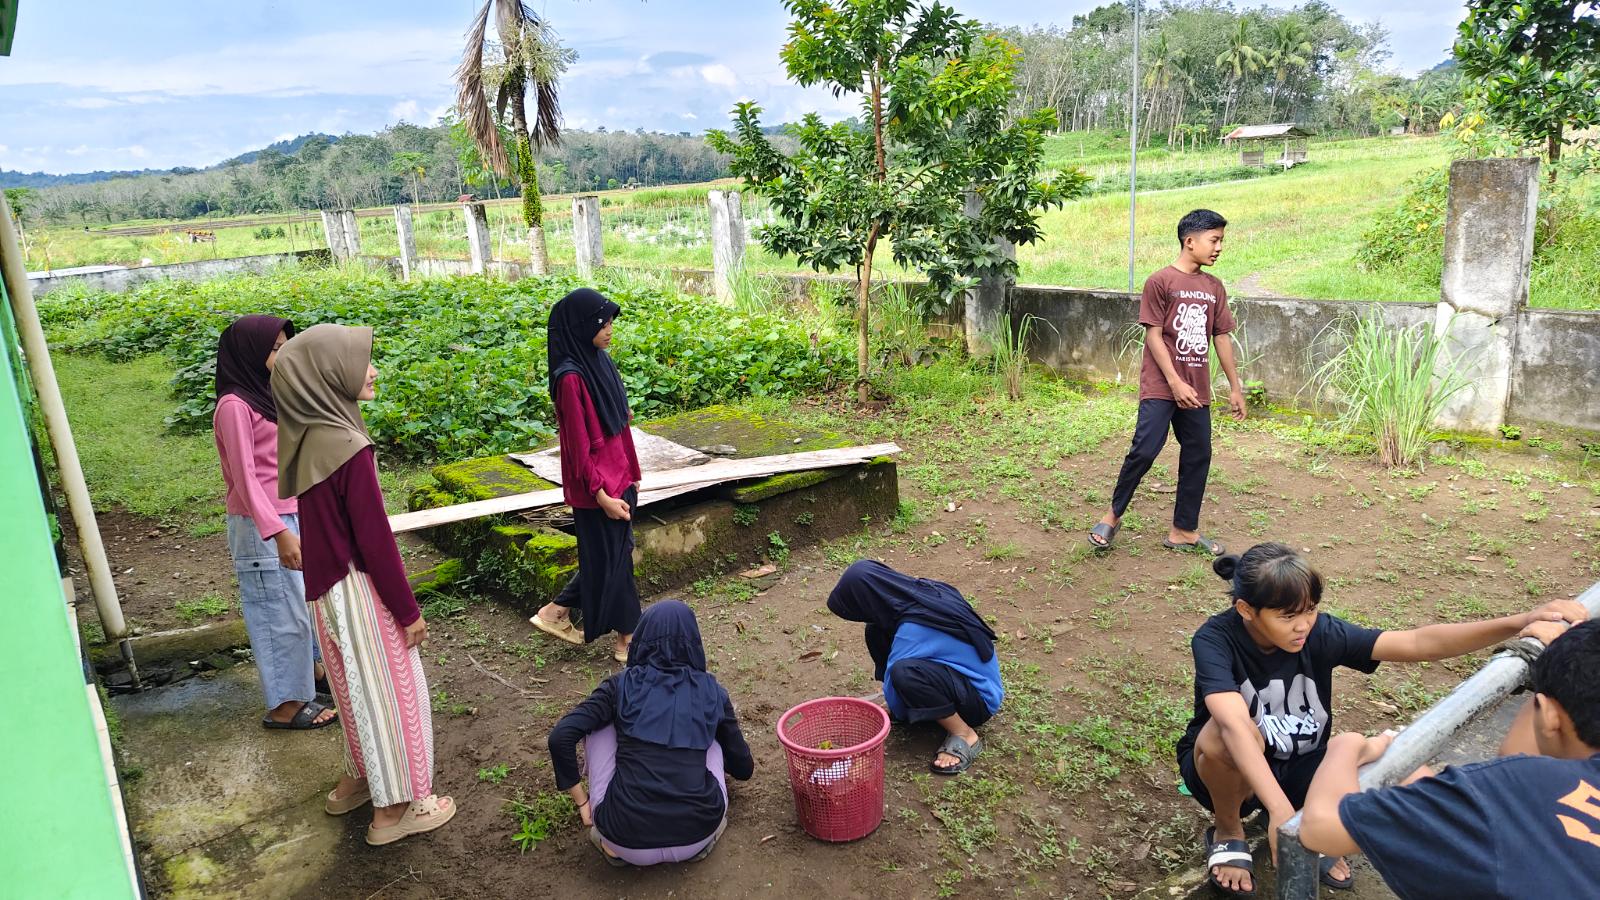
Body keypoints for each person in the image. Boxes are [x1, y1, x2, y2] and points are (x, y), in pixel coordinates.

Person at [1177, 542, 1585, 897]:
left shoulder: (1318, 632)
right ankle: (1229, 829)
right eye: (1287, 616)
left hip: (1301, 759)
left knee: (1385, 761)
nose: (1303, 625)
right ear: (1246, 609)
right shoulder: (1215, 639)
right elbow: (1231, 725)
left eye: (1311, 610)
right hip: (1229, 769)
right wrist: (1283, 815)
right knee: (1219, 735)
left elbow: (1416, 642)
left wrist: (1518, 623)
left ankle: (1304, 817)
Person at [271, 323, 455, 846]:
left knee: (354, 693)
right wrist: (408, 611)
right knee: (392, 696)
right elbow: (375, 543)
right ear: (328, 375)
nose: (370, 369)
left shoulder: (307, 434)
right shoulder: (349, 446)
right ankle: (394, 810)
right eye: (360, 361)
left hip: (323, 594)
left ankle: (355, 782)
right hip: (359, 592)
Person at [1301, 618, 1600, 899]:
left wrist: (1344, 744)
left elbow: (1321, 829)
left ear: (1548, 715)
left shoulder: (1498, 793)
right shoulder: (1515, 790)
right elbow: (1515, 763)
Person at [547, 600, 754, 866]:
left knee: (600, 724)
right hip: (698, 833)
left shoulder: (619, 686)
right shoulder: (712, 691)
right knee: (713, 727)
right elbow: (744, 769)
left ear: (643, 637)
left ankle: (609, 843)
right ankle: (700, 835)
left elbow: (561, 735)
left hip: (624, 838)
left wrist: (582, 804)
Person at [1089, 208, 1244, 556]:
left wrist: (1235, 387)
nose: (1219, 247)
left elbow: (1221, 338)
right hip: (1163, 386)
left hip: (1197, 388)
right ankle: (1112, 516)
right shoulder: (1160, 281)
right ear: (1190, 241)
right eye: (1213, 240)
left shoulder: (1213, 287)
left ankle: (1183, 530)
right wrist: (1174, 382)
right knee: (1144, 449)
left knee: (1198, 454)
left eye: (1221, 241)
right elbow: (1154, 337)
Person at [212, 315, 335, 731]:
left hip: (290, 516)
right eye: (275, 348)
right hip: (260, 525)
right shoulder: (234, 405)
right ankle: (284, 706)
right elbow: (245, 478)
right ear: (249, 352)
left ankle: (311, 678)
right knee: (276, 612)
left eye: (286, 345)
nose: (284, 354)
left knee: (302, 606)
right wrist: (277, 531)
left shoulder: (267, 395)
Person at [530, 288, 642, 664]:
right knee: (616, 559)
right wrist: (601, 496)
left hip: (619, 477)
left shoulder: (601, 362)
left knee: (612, 556)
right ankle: (628, 638)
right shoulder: (570, 379)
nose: (609, 329)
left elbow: (622, 424)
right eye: (602, 322)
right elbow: (577, 449)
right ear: (581, 327)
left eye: (611, 321)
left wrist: (633, 472)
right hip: (595, 488)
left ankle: (556, 611)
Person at [827, 560, 1002, 775]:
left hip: (980, 699)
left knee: (905, 673)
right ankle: (930, 705)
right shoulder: (924, 591)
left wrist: (897, 709)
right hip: (957, 676)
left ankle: (965, 734)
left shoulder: (912, 630)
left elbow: (898, 675)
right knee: (876, 630)